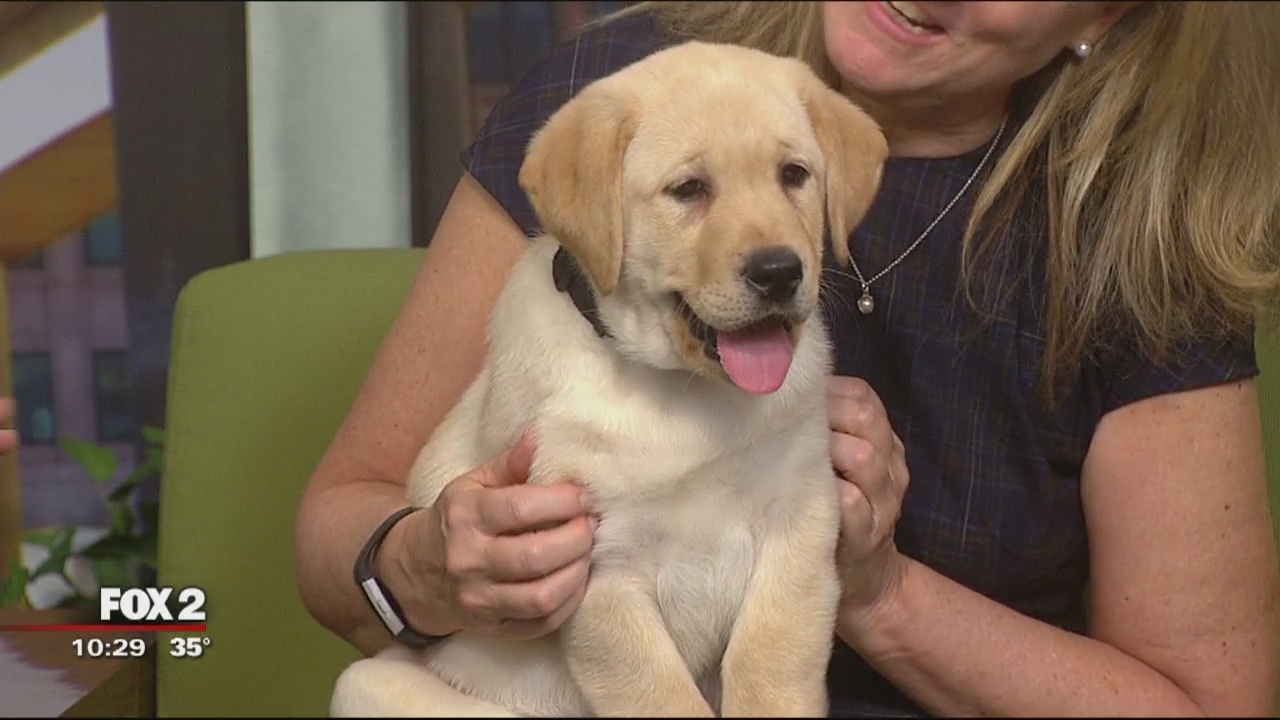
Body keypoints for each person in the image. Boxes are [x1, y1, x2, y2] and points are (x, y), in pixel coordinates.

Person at [295, 1, 1280, 716]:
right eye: (685, 188)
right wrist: (419, 570)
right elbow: (337, 536)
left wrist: (878, 591)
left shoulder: (1137, 246)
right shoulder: (618, 95)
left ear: (1102, 16)